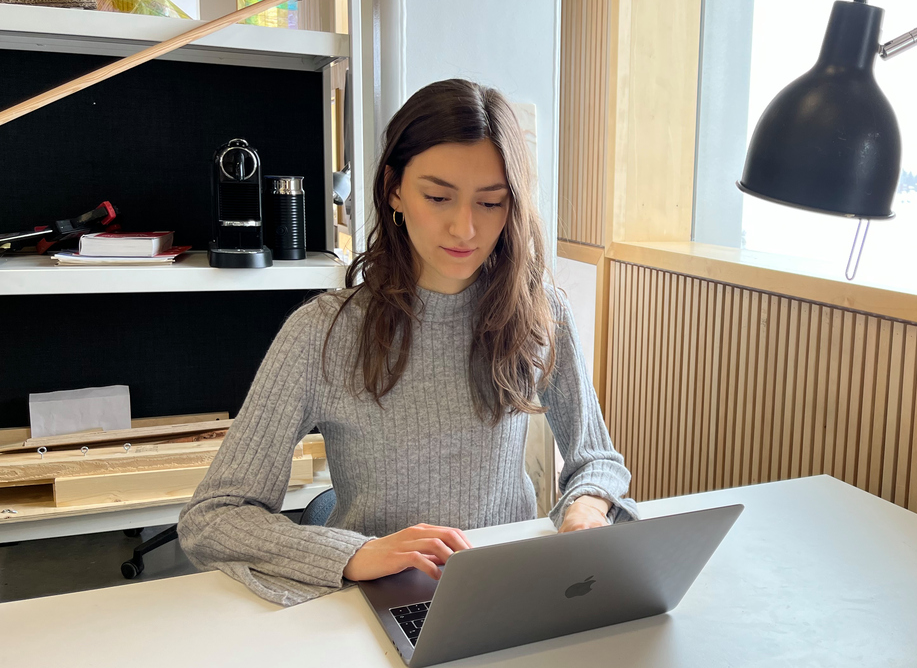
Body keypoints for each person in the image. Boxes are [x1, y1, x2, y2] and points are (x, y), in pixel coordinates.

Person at [178, 79, 638, 607]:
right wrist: (354, 554)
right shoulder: (322, 333)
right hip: (380, 599)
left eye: (490, 203)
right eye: (438, 196)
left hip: (506, 590)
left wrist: (587, 508)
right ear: (395, 189)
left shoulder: (539, 311)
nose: (464, 227)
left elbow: (597, 459)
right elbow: (212, 519)